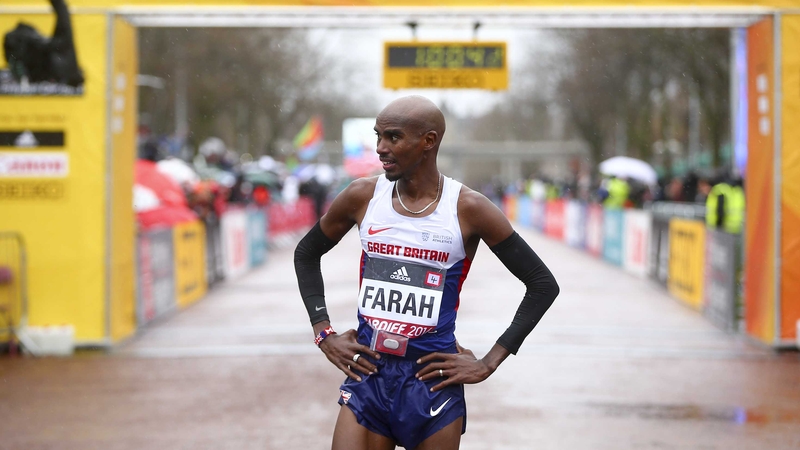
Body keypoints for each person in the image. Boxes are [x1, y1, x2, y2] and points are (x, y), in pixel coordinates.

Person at [294, 96, 560, 450]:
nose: (380, 148)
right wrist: (323, 333)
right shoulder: (363, 195)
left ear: (428, 141)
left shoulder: (468, 207)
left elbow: (542, 285)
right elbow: (306, 253)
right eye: (378, 136)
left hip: (431, 380)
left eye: (393, 137)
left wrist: (489, 363)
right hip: (370, 373)